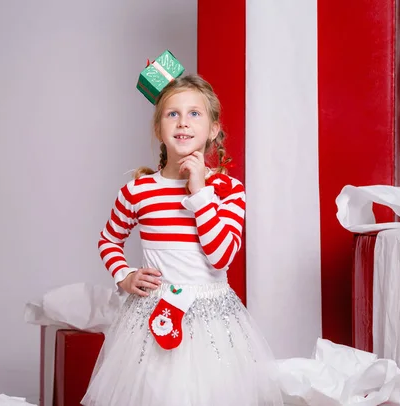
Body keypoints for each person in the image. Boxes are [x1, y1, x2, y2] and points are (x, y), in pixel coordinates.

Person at [81, 74, 283, 406]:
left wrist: (201, 191)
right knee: (156, 393)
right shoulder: (139, 191)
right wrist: (125, 275)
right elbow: (108, 239)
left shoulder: (228, 190)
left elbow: (221, 257)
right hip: (152, 317)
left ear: (213, 130)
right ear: (159, 130)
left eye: (194, 113)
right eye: (172, 114)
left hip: (213, 323)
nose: (182, 122)